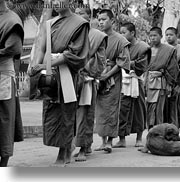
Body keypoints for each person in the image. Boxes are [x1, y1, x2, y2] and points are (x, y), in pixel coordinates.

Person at [30, 0, 90, 166]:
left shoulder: (80, 24)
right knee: (52, 111)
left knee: (66, 112)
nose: (55, 3)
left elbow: (75, 54)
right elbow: (42, 49)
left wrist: (46, 64)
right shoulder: (50, 23)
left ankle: (63, 153)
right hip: (49, 74)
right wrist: (36, 66)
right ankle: (66, 147)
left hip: (67, 73)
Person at [74, 7, 107, 162]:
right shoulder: (71, 33)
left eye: (82, 13)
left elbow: (100, 62)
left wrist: (85, 70)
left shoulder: (97, 36)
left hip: (86, 79)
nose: (78, 16)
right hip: (71, 78)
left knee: (85, 114)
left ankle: (82, 147)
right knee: (72, 115)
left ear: (89, 16)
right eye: (77, 13)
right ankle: (82, 145)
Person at [95, 9, 130, 153]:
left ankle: (110, 141)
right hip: (97, 76)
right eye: (99, 19)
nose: (101, 22)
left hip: (113, 79)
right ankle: (102, 141)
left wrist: (108, 74)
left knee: (111, 109)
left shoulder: (120, 40)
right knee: (100, 110)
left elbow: (123, 61)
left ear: (112, 21)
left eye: (104, 19)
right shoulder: (97, 37)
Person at [113, 22, 151, 148]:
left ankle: (139, 138)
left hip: (136, 80)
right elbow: (116, 61)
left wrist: (127, 63)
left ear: (133, 33)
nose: (121, 35)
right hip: (122, 80)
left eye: (124, 32)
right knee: (122, 109)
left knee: (138, 110)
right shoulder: (121, 46)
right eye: (120, 32)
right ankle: (121, 139)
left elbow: (142, 65)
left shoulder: (143, 47)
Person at [0, 0, 24, 167]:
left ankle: (3, 164)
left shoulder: (11, 20)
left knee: (4, 119)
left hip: (3, 75)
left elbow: (13, 49)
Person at [145, 27, 178, 130]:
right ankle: (150, 129)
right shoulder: (146, 50)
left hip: (160, 83)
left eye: (155, 36)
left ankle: (158, 130)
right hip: (147, 83)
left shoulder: (169, 50)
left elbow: (173, 69)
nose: (152, 38)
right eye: (151, 36)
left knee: (158, 109)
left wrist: (169, 84)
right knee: (148, 108)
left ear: (161, 36)